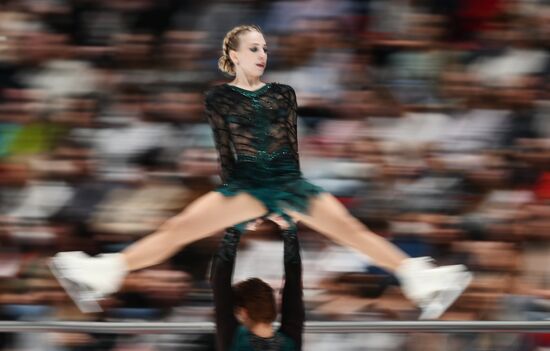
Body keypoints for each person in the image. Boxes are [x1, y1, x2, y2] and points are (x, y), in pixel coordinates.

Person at [50, 24, 472, 320]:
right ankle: (424, 279)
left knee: (179, 230)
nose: (262, 55)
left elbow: (287, 144)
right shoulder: (220, 97)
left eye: (265, 48)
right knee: (180, 228)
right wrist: (255, 202)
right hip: (257, 184)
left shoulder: (281, 93)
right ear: (233, 55)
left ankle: (102, 274)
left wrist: (264, 200)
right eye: (254, 49)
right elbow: (226, 150)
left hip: (274, 182)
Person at [211, 217, 303, 351]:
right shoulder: (289, 343)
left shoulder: (235, 340)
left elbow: (220, 283)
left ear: (243, 312)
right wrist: (289, 230)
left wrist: (234, 231)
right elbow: (293, 289)